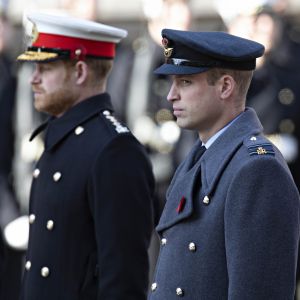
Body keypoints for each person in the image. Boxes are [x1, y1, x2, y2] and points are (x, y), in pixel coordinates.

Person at [148, 29, 300, 299]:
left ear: (225, 87)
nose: (171, 95)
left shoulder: (258, 170)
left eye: (185, 83)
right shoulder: (197, 158)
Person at [16, 12, 155, 300]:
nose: (34, 79)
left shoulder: (115, 151)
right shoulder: (61, 136)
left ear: (79, 72)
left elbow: (124, 280)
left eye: (46, 68)